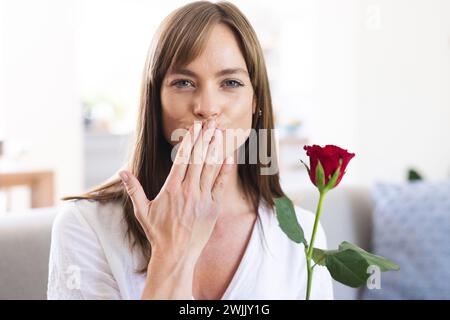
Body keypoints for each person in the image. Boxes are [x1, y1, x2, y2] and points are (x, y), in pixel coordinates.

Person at [47, 1, 333, 300]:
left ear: (256, 101)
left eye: (231, 82)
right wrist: (172, 253)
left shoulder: (299, 233)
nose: (206, 108)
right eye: (183, 82)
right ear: (155, 100)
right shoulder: (85, 226)